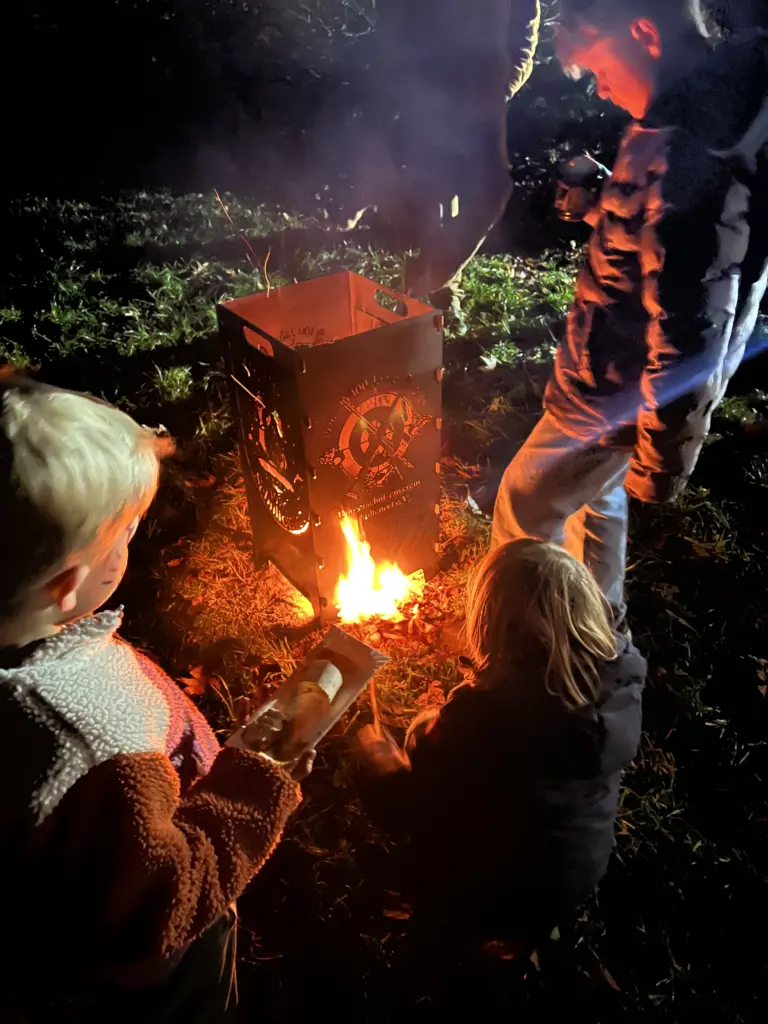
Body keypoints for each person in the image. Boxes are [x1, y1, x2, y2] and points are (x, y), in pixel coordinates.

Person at [0, 371, 313, 1022]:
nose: (133, 544)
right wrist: (255, 782)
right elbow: (161, 905)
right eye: (127, 533)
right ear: (67, 583)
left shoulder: (37, 666)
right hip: (158, 973)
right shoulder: (93, 742)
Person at [491, 0, 768, 625]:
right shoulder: (687, 120)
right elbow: (660, 253)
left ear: (643, 33)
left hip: (612, 390)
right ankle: (597, 641)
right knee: (595, 505)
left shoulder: (690, 153)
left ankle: (520, 653)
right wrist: (600, 207)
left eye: (598, 68)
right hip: (616, 387)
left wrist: (661, 460)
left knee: (524, 506)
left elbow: (691, 325)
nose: (602, 88)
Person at [358, 539, 646, 952]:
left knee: (424, 750)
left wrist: (380, 763)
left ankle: (461, 923)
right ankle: (526, 931)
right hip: (577, 868)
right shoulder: (620, 672)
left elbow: (409, 805)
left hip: (500, 888)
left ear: (493, 628)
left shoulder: (484, 718)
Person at [353, 1, 541, 305]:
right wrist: (404, 83)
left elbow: (524, 30)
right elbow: (393, 19)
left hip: (485, 93)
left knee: (492, 191)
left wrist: (504, 85)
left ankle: (432, 274)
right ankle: (433, 291)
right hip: (429, 90)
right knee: (435, 188)